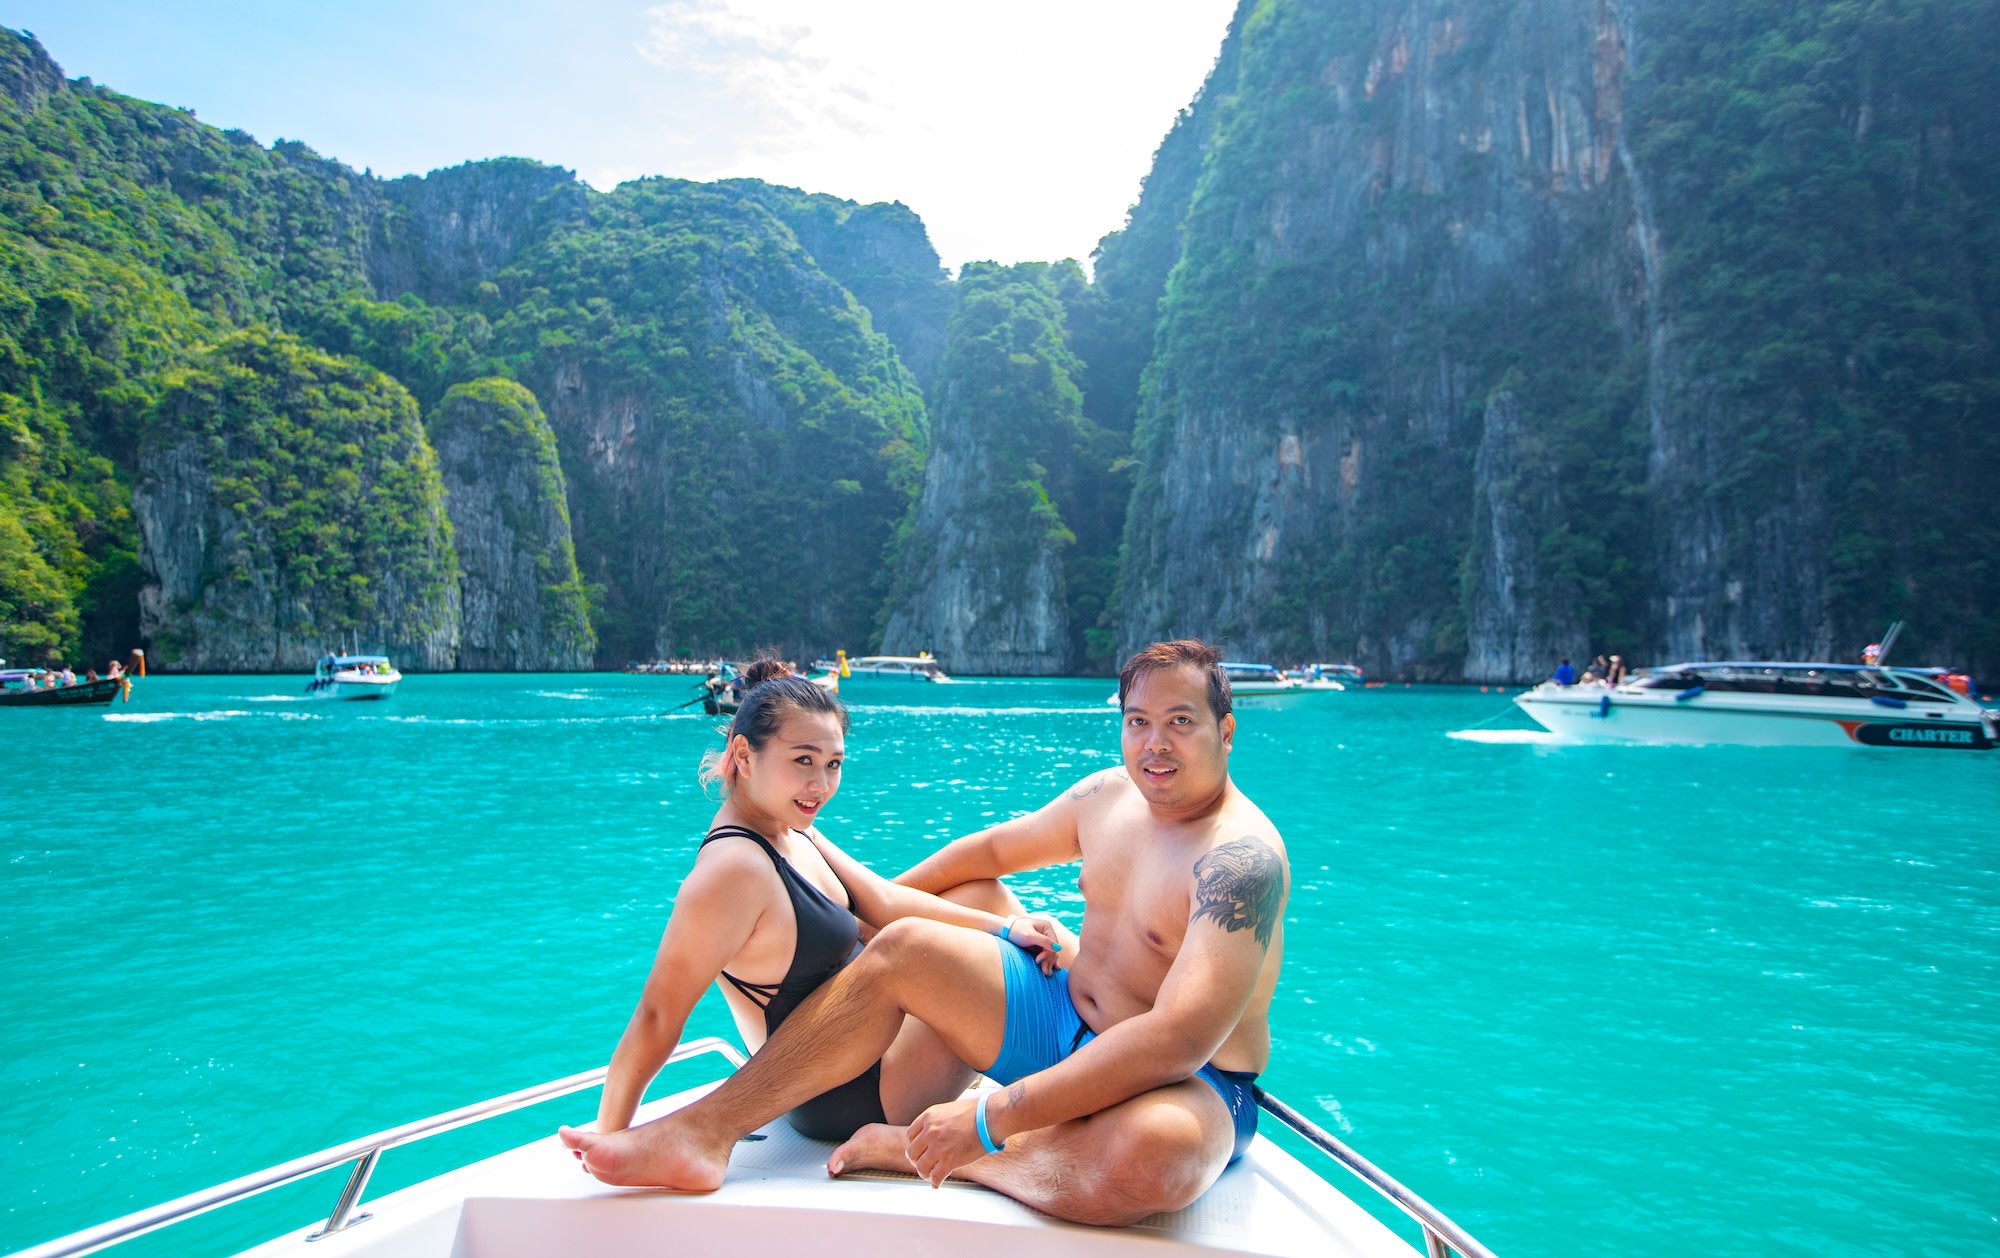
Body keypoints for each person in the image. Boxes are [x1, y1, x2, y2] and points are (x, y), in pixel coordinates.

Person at [561, 639, 1289, 1228]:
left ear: (1225, 732)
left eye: (1180, 722)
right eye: (1138, 721)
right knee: (906, 947)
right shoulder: (1109, 796)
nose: (1155, 744)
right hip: (1062, 1016)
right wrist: (870, 933)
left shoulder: (1242, 863)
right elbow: (988, 855)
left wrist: (988, 1121)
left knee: (1156, 1157)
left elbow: (1176, 1040)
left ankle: (942, 1153)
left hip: (1187, 1079)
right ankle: (704, 1130)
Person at [588, 657, 1066, 1147]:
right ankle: (1089, 1060)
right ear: (745, 755)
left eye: (832, 764)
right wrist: (611, 1135)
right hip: (845, 1092)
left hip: (870, 1041)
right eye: (803, 761)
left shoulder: (791, 830)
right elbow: (657, 1015)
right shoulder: (732, 870)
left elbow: (883, 899)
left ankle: (1091, 1034)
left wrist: (1007, 928)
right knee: (962, 955)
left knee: (986, 898)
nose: (820, 785)